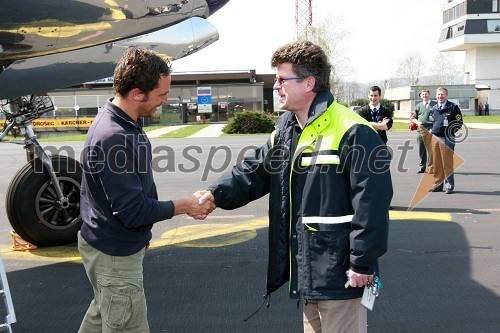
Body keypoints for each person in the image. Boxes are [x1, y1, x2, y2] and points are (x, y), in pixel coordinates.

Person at [196, 41, 392, 333]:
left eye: (281, 79)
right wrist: (216, 194)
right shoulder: (287, 130)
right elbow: (255, 170)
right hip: (308, 272)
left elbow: (372, 202)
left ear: (308, 82)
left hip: (341, 274)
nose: (276, 86)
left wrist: (362, 262)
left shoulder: (353, 130)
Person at [77, 47, 215, 333]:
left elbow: (131, 196)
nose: (164, 102)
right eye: (161, 95)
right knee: (125, 324)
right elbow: (132, 210)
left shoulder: (122, 121)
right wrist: (186, 204)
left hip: (110, 246)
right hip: (114, 256)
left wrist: (141, 235)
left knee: (102, 318)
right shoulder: (114, 136)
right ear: (137, 93)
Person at [429, 87, 463, 194]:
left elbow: (459, 123)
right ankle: (438, 185)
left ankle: (449, 186)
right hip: (435, 137)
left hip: (447, 138)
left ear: (446, 95)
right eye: (438, 94)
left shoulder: (453, 107)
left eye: (442, 94)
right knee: (437, 163)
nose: (440, 96)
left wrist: (450, 132)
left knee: (447, 162)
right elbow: (433, 122)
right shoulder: (434, 107)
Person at [412, 89, 436, 173]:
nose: (424, 96)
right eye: (423, 94)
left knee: (431, 150)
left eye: (426, 94)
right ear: (421, 96)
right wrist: (417, 122)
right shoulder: (418, 106)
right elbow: (413, 118)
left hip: (431, 129)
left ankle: (431, 167)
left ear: (429, 95)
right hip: (421, 130)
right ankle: (422, 167)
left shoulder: (435, 104)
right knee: (421, 149)